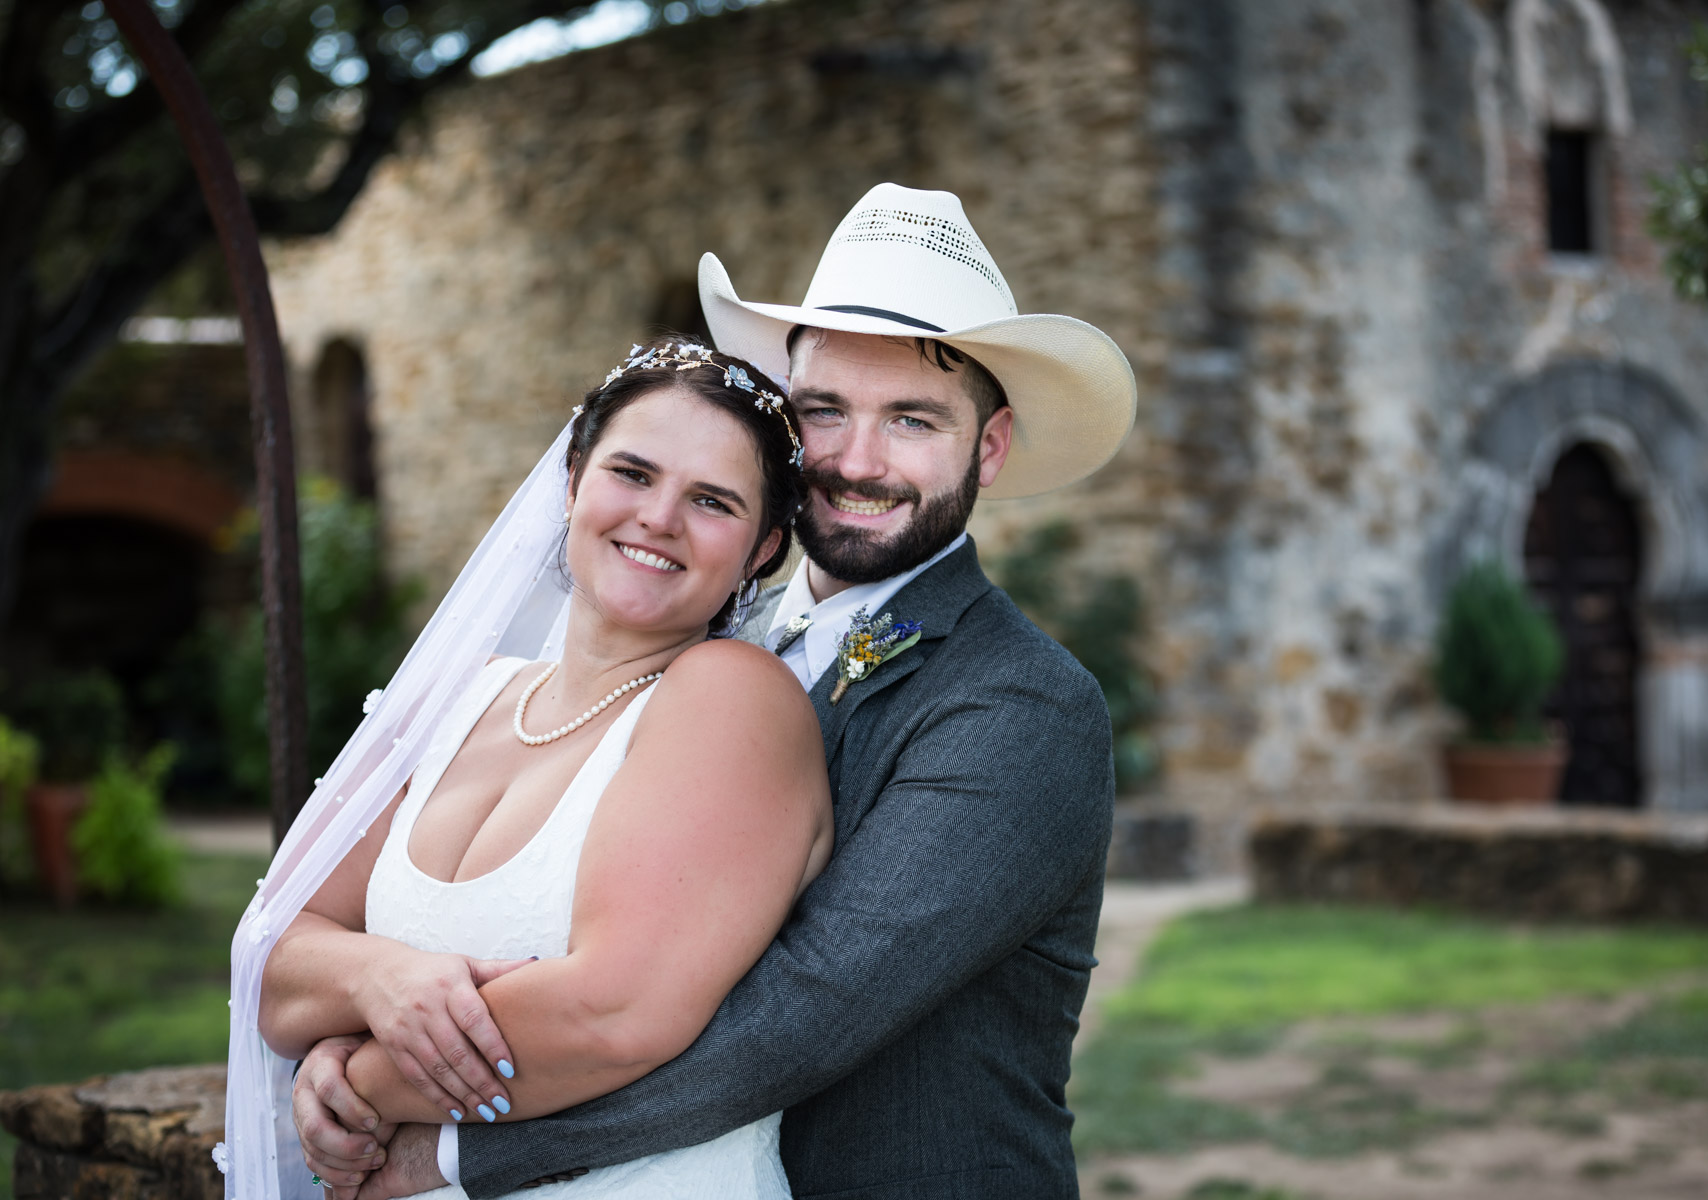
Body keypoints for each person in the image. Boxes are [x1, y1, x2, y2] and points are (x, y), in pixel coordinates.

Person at [293, 183, 1137, 1199]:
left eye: (912, 420)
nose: (858, 462)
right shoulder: (724, 643)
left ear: (988, 448)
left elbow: (797, 1015)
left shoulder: (1020, 704)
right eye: (826, 410)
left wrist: (424, 1126)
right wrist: (365, 1010)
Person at [224, 341, 832, 1199]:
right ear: (575, 477)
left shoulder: (731, 698)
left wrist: (358, 1086)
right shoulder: (461, 697)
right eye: (632, 472)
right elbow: (274, 953)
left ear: (764, 548)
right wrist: (379, 978)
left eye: (712, 501)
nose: (659, 517)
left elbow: (613, 1014)